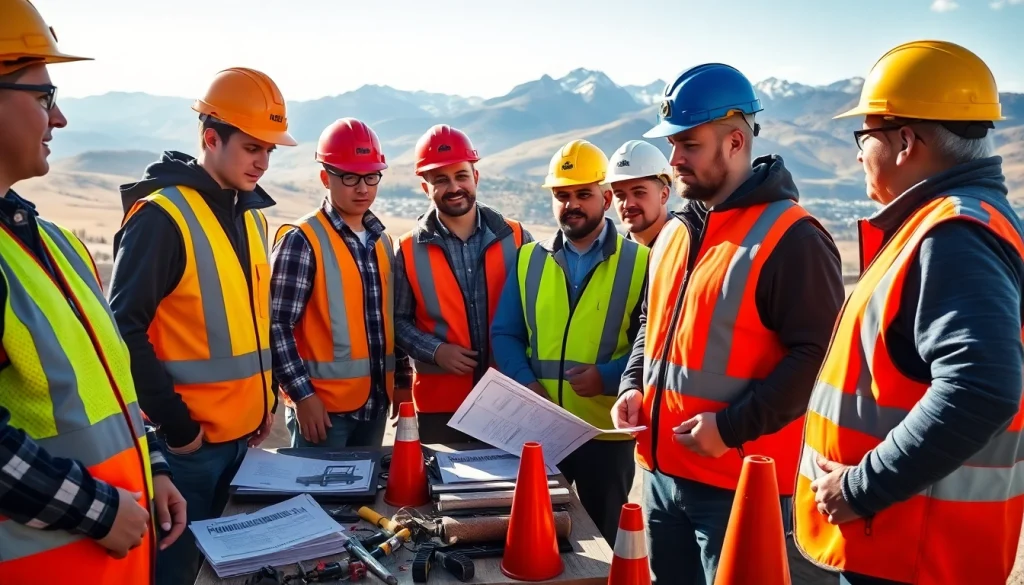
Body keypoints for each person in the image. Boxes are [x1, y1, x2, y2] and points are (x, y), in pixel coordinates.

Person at [792, 40, 1024, 585]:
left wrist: (861, 488)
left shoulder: (954, 234)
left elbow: (982, 386)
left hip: (909, 552)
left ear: (904, 142)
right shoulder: (951, 223)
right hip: (901, 543)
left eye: (865, 136)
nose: (858, 154)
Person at [611, 63, 845, 584]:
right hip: (661, 478)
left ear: (736, 142)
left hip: (741, 487)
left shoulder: (793, 238)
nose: (674, 159)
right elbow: (653, 322)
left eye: (689, 145)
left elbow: (818, 360)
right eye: (673, 144)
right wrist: (632, 385)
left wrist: (730, 428)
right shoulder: (674, 233)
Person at [0, 1, 186, 583]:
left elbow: (110, 383)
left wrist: (152, 464)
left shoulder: (55, 244)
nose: (59, 120)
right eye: (44, 97)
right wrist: (98, 510)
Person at [106, 66, 297, 585]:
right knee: (177, 573)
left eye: (269, 150)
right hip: (189, 450)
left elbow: (252, 320)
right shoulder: (161, 217)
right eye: (251, 147)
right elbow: (122, 329)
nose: (262, 162)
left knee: (226, 573)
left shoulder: (251, 216)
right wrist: (177, 428)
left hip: (244, 440)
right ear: (211, 139)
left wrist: (264, 400)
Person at [491, 139, 648, 544]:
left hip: (604, 434)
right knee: (540, 539)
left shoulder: (641, 262)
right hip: (540, 431)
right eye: (562, 195)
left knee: (605, 541)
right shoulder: (528, 259)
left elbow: (652, 345)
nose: (571, 204)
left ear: (606, 198)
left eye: (583, 194)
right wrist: (526, 384)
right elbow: (505, 333)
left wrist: (607, 377)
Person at [270, 117, 412, 448]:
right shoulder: (302, 240)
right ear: (325, 177)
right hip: (323, 413)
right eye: (350, 177)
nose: (363, 188)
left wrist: (402, 381)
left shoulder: (382, 241)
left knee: (369, 483)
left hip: (376, 406)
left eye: (371, 176)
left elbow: (388, 320)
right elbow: (276, 326)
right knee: (316, 485)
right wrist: (303, 396)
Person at [394, 124, 533, 444]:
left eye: (461, 176)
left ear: (476, 177)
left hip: (508, 399)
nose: (454, 187)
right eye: (441, 179)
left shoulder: (516, 237)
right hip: (440, 407)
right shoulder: (406, 249)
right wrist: (435, 351)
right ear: (425, 187)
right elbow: (398, 321)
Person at [606, 139, 672, 246]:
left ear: (664, 195)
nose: (628, 204)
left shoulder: (690, 244)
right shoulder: (613, 253)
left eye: (639, 193)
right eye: (620, 195)